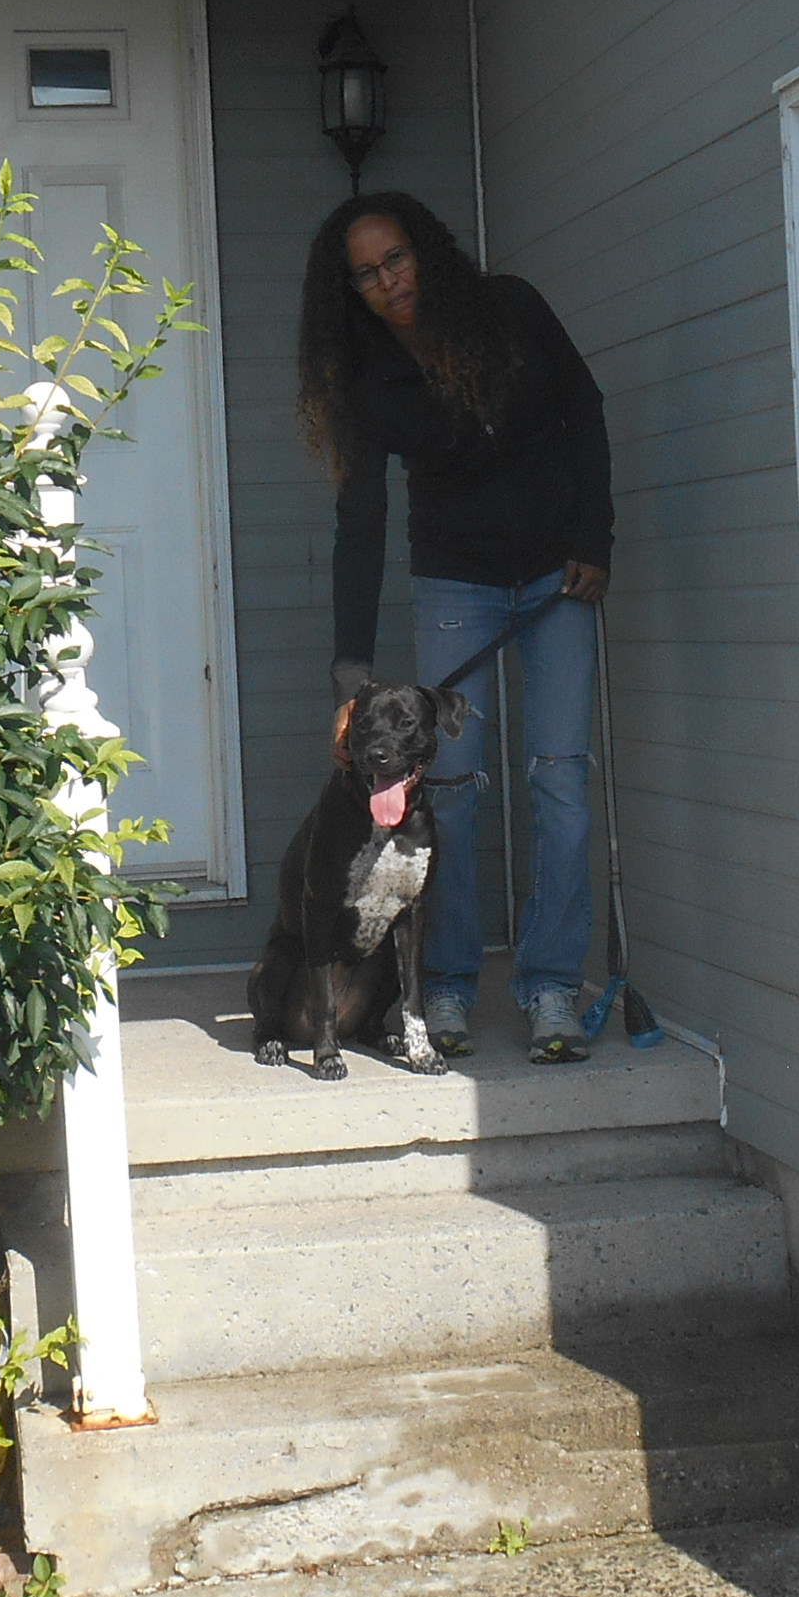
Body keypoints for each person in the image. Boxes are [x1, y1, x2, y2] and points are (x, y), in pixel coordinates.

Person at [297, 191, 613, 1065]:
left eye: (395, 259)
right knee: (453, 793)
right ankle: (445, 988)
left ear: (425, 252)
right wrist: (351, 679)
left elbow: (584, 411)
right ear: (348, 291)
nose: (387, 281)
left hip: (558, 576)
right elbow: (358, 526)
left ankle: (552, 986)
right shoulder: (369, 380)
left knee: (559, 782)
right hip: (456, 584)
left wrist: (594, 539)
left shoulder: (509, 308)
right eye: (365, 274)